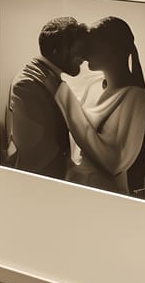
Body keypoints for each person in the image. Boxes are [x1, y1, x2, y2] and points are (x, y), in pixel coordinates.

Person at [55, 16, 145, 196]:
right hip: (72, 188)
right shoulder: (92, 87)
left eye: (91, 44)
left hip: (103, 197)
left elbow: (114, 162)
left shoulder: (135, 98)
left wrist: (65, 99)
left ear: (112, 48)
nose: (84, 52)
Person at [5, 17, 86, 179]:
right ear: (57, 51)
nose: (83, 58)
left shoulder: (45, 78)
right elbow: (37, 156)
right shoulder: (27, 84)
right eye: (77, 50)